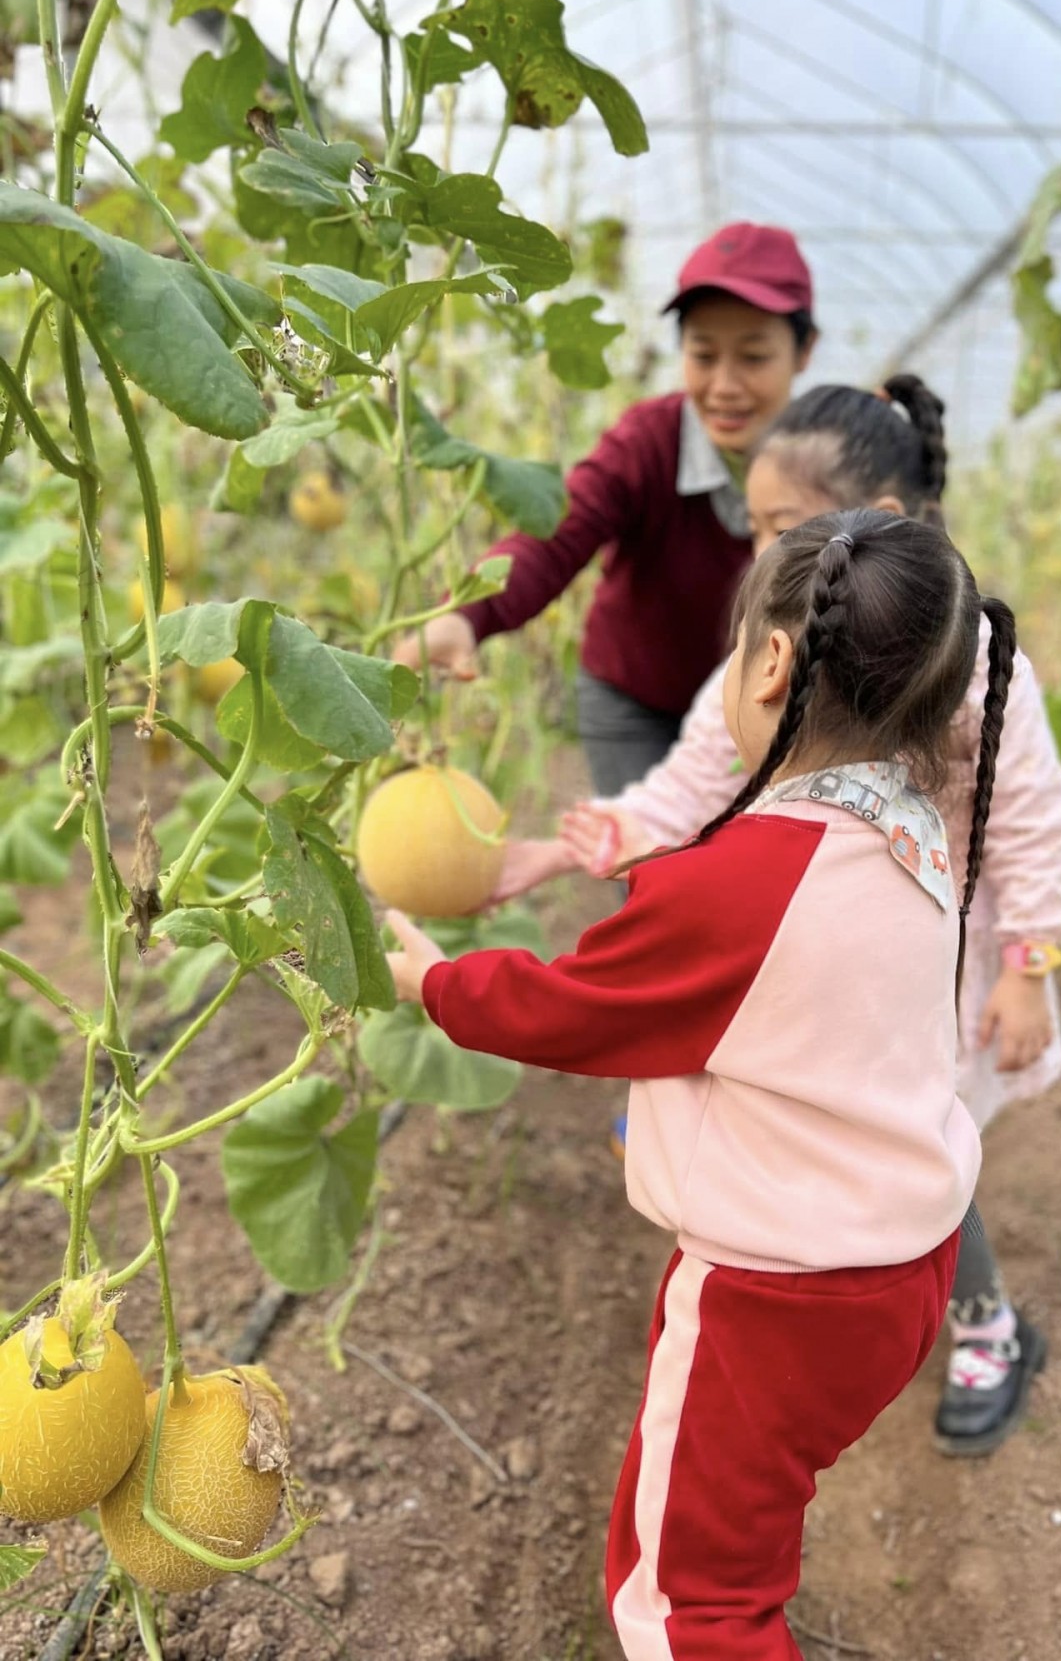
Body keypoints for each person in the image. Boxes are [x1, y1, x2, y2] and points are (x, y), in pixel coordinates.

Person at [386, 507, 1016, 1659]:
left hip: (774, 1302)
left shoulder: (741, 885)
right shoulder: (917, 832)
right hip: (897, 1269)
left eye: (735, 647)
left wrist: (432, 982)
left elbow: (572, 1007)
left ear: (771, 661)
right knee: (739, 1515)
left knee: (687, 1602)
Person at [499, 382, 1061, 1457]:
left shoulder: (974, 671)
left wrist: (1027, 964)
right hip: (821, 964)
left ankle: (985, 1323)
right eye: (756, 526)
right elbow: (682, 792)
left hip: (922, 969)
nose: (757, 548)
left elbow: (1034, 825)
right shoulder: (775, 654)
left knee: (918, 1153)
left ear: (881, 529)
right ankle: (843, 1320)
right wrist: (568, 845)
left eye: (780, 529)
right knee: (859, 1152)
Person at [393, 222, 817, 794]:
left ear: (804, 352)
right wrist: (464, 614)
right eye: (703, 354)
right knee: (647, 868)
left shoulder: (828, 459)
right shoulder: (648, 441)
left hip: (764, 703)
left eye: (753, 356)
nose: (724, 385)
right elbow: (558, 533)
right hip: (634, 703)